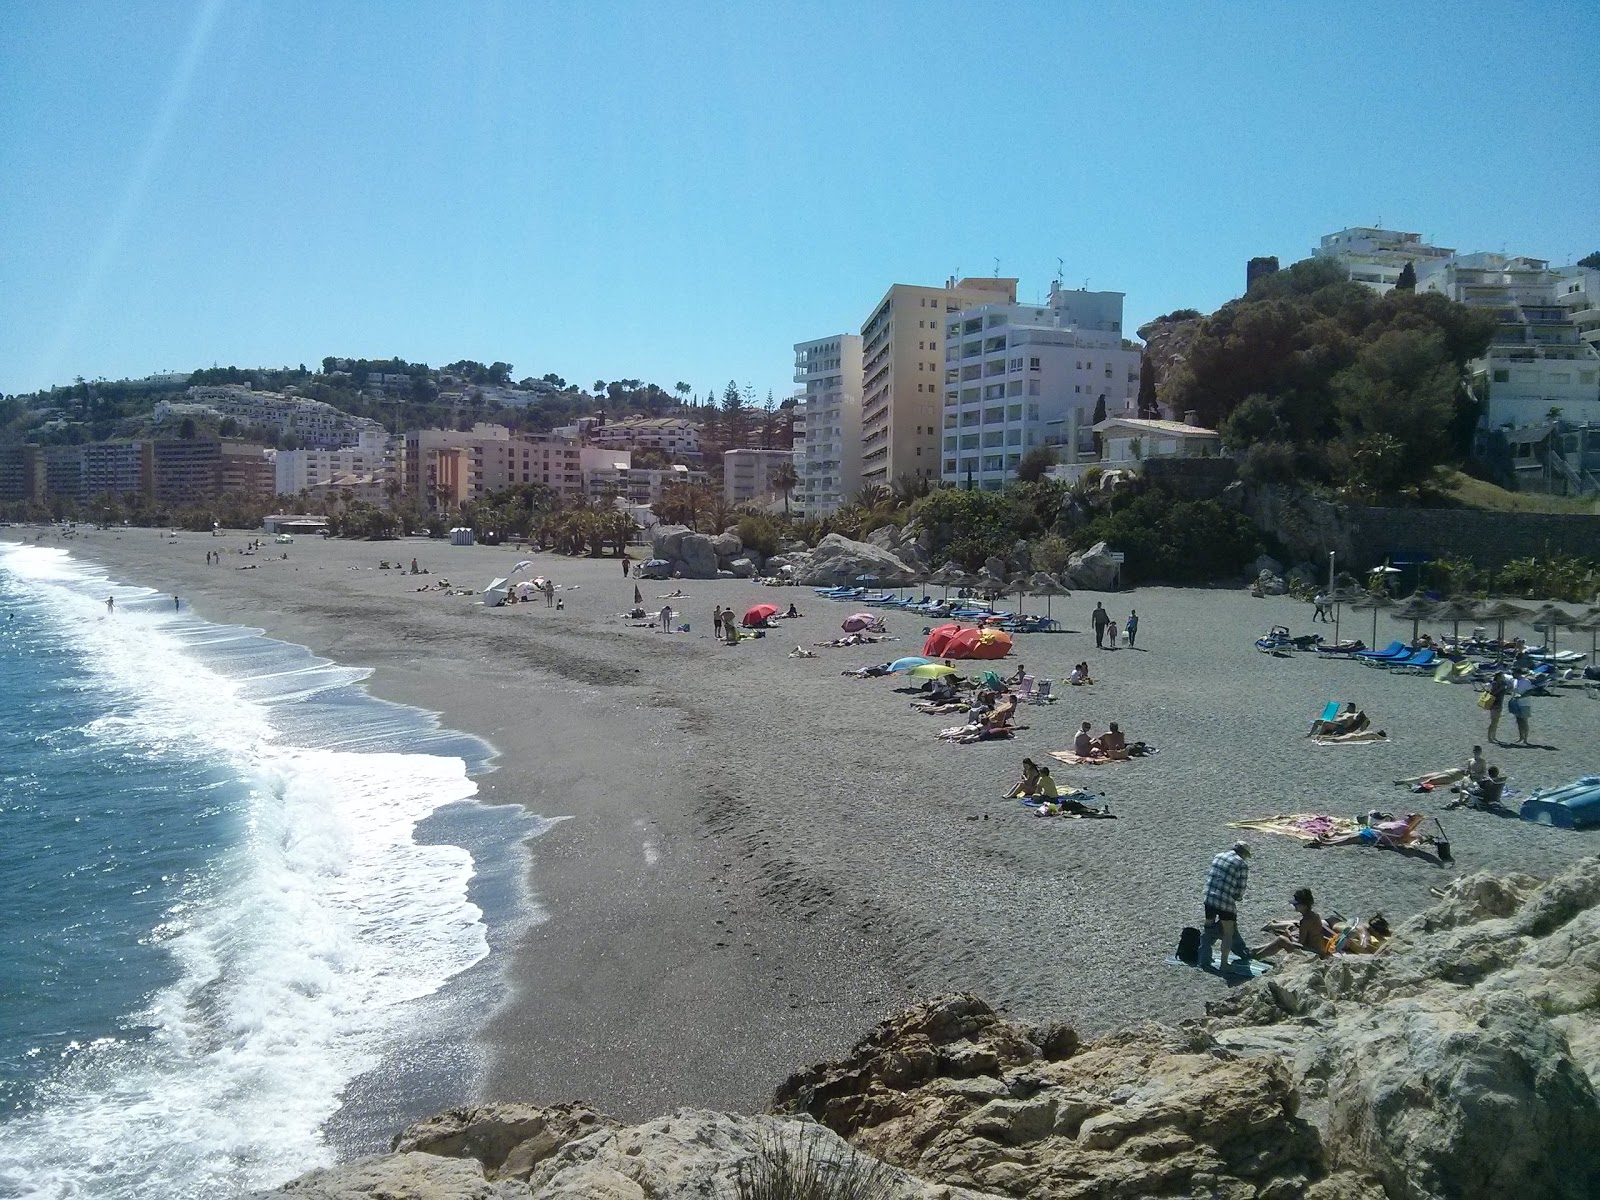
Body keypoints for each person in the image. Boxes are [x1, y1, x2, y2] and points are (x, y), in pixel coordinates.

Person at [1198, 841, 1252, 973]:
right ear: (1244, 853)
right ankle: (1224, 964)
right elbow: (1240, 890)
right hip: (1225, 902)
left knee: (1208, 927)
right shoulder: (1242, 864)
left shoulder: (1219, 855)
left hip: (1209, 898)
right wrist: (1236, 898)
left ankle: (1204, 959)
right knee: (1228, 932)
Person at [1250, 888, 1330, 959]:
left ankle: (1256, 956)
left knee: (1281, 940)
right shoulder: (1315, 915)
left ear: (1304, 906)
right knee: (1288, 933)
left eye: (1296, 904)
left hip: (1314, 954)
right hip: (1318, 950)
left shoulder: (1305, 921)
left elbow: (1299, 943)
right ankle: (1255, 950)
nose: (1294, 905)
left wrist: (1289, 935)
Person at [1486, 667, 1510, 743]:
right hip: (1494, 704)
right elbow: (1492, 693)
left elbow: (1506, 691)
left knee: (1496, 721)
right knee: (1493, 721)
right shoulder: (1495, 683)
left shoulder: (1503, 683)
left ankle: (1494, 736)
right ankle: (1489, 737)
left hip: (1499, 704)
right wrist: (1501, 688)